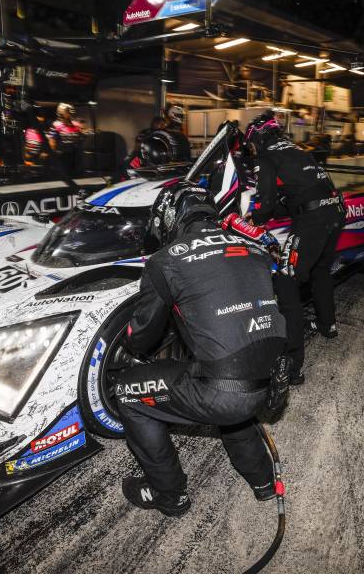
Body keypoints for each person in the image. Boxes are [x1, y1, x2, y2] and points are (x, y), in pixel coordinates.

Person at [114, 182, 286, 517]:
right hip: (269, 381)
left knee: (127, 393)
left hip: (227, 393)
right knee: (230, 378)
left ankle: (168, 494)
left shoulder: (165, 260)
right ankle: (263, 481)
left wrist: (130, 343)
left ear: (171, 217)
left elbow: (141, 336)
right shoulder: (253, 248)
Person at [245, 112, 344, 380]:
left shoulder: (266, 156)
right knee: (320, 271)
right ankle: (328, 325)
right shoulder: (298, 150)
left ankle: (292, 365)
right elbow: (297, 193)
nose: (251, 147)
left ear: (258, 137)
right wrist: (275, 210)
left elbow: (265, 203)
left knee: (287, 282)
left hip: (313, 220)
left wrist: (255, 217)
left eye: (251, 142)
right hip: (335, 211)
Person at [47, 103, 84, 182]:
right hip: (63, 155)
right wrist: (55, 153)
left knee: (76, 176)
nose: (71, 113)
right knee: (65, 176)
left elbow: (81, 137)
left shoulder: (76, 124)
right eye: (68, 111)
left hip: (75, 154)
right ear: (62, 113)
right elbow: (52, 140)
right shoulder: (56, 125)